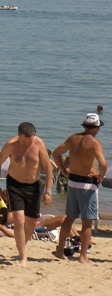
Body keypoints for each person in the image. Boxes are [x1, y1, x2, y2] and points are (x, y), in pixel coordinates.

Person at [0, 122, 53, 267]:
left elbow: (48, 167)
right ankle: (23, 257)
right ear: (18, 136)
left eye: (28, 141)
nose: (26, 144)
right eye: (23, 141)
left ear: (34, 135)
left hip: (34, 186)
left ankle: (22, 246)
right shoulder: (11, 145)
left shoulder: (39, 144)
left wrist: (48, 191)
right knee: (19, 220)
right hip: (15, 184)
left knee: (31, 223)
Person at [52, 113, 107, 263]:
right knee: (87, 221)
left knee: (69, 218)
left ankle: (59, 250)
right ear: (96, 128)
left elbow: (56, 154)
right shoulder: (94, 142)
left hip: (72, 181)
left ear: (84, 126)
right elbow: (103, 163)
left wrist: (64, 171)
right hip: (87, 184)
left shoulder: (73, 138)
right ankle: (83, 256)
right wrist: (100, 176)